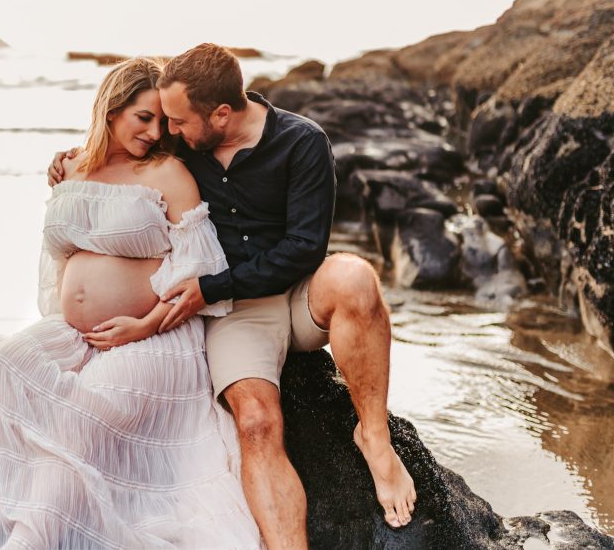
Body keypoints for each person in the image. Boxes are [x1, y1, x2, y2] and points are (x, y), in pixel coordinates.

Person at [50, 43, 417, 548]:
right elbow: (123, 147)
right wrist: (69, 159)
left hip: (294, 292)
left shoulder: (302, 141)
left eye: (177, 121)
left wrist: (208, 287)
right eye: (165, 121)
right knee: (258, 422)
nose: (167, 132)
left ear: (221, 114)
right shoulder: (184, 142)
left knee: (355, 276)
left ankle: (375, 436)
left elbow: (305, 247)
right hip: (236, 313)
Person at [0, 57, 262, 549]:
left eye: (163, 121)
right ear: (111, 109)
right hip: (79, 334)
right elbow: (58, 258)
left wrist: (140, 327)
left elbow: (200, 277)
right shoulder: (72, 167)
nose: (154, 131)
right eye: (144, 118)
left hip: (156, 334)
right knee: (8, 366)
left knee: (82, 417)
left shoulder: (166, 172)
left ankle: (35, 539)